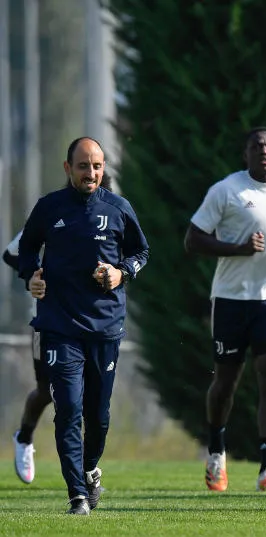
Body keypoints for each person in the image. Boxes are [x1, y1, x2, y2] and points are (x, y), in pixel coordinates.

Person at [17, 137, 150, 514]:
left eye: (96, 166)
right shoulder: (49, 208)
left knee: (99, 415)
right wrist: (32, 276)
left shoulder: (118, 208)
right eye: (82, 166)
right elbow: (25, 250)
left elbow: (141, 253)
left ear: (103, 168)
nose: (90, 173)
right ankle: (77, 494)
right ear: (67, 168)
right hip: (59, 324)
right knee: (69, 408)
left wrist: (120, 273)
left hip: (105, 326)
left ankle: (90, 470)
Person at [184, 128, 266, 493]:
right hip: (232, 299)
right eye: (256, 146)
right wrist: (238, 248)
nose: (264, 151)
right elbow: (193, 239)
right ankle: (216, 452)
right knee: (226, 382)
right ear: (245, 153)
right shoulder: (227, 190)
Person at [6, 176, 114, 485]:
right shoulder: (54, 213)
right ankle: (25, 437)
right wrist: (35, 277)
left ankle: (86, 469)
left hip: (95, 323)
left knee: (92, 397)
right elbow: (13, 253)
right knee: (51, 392)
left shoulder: (113, 217)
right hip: (51, 319)